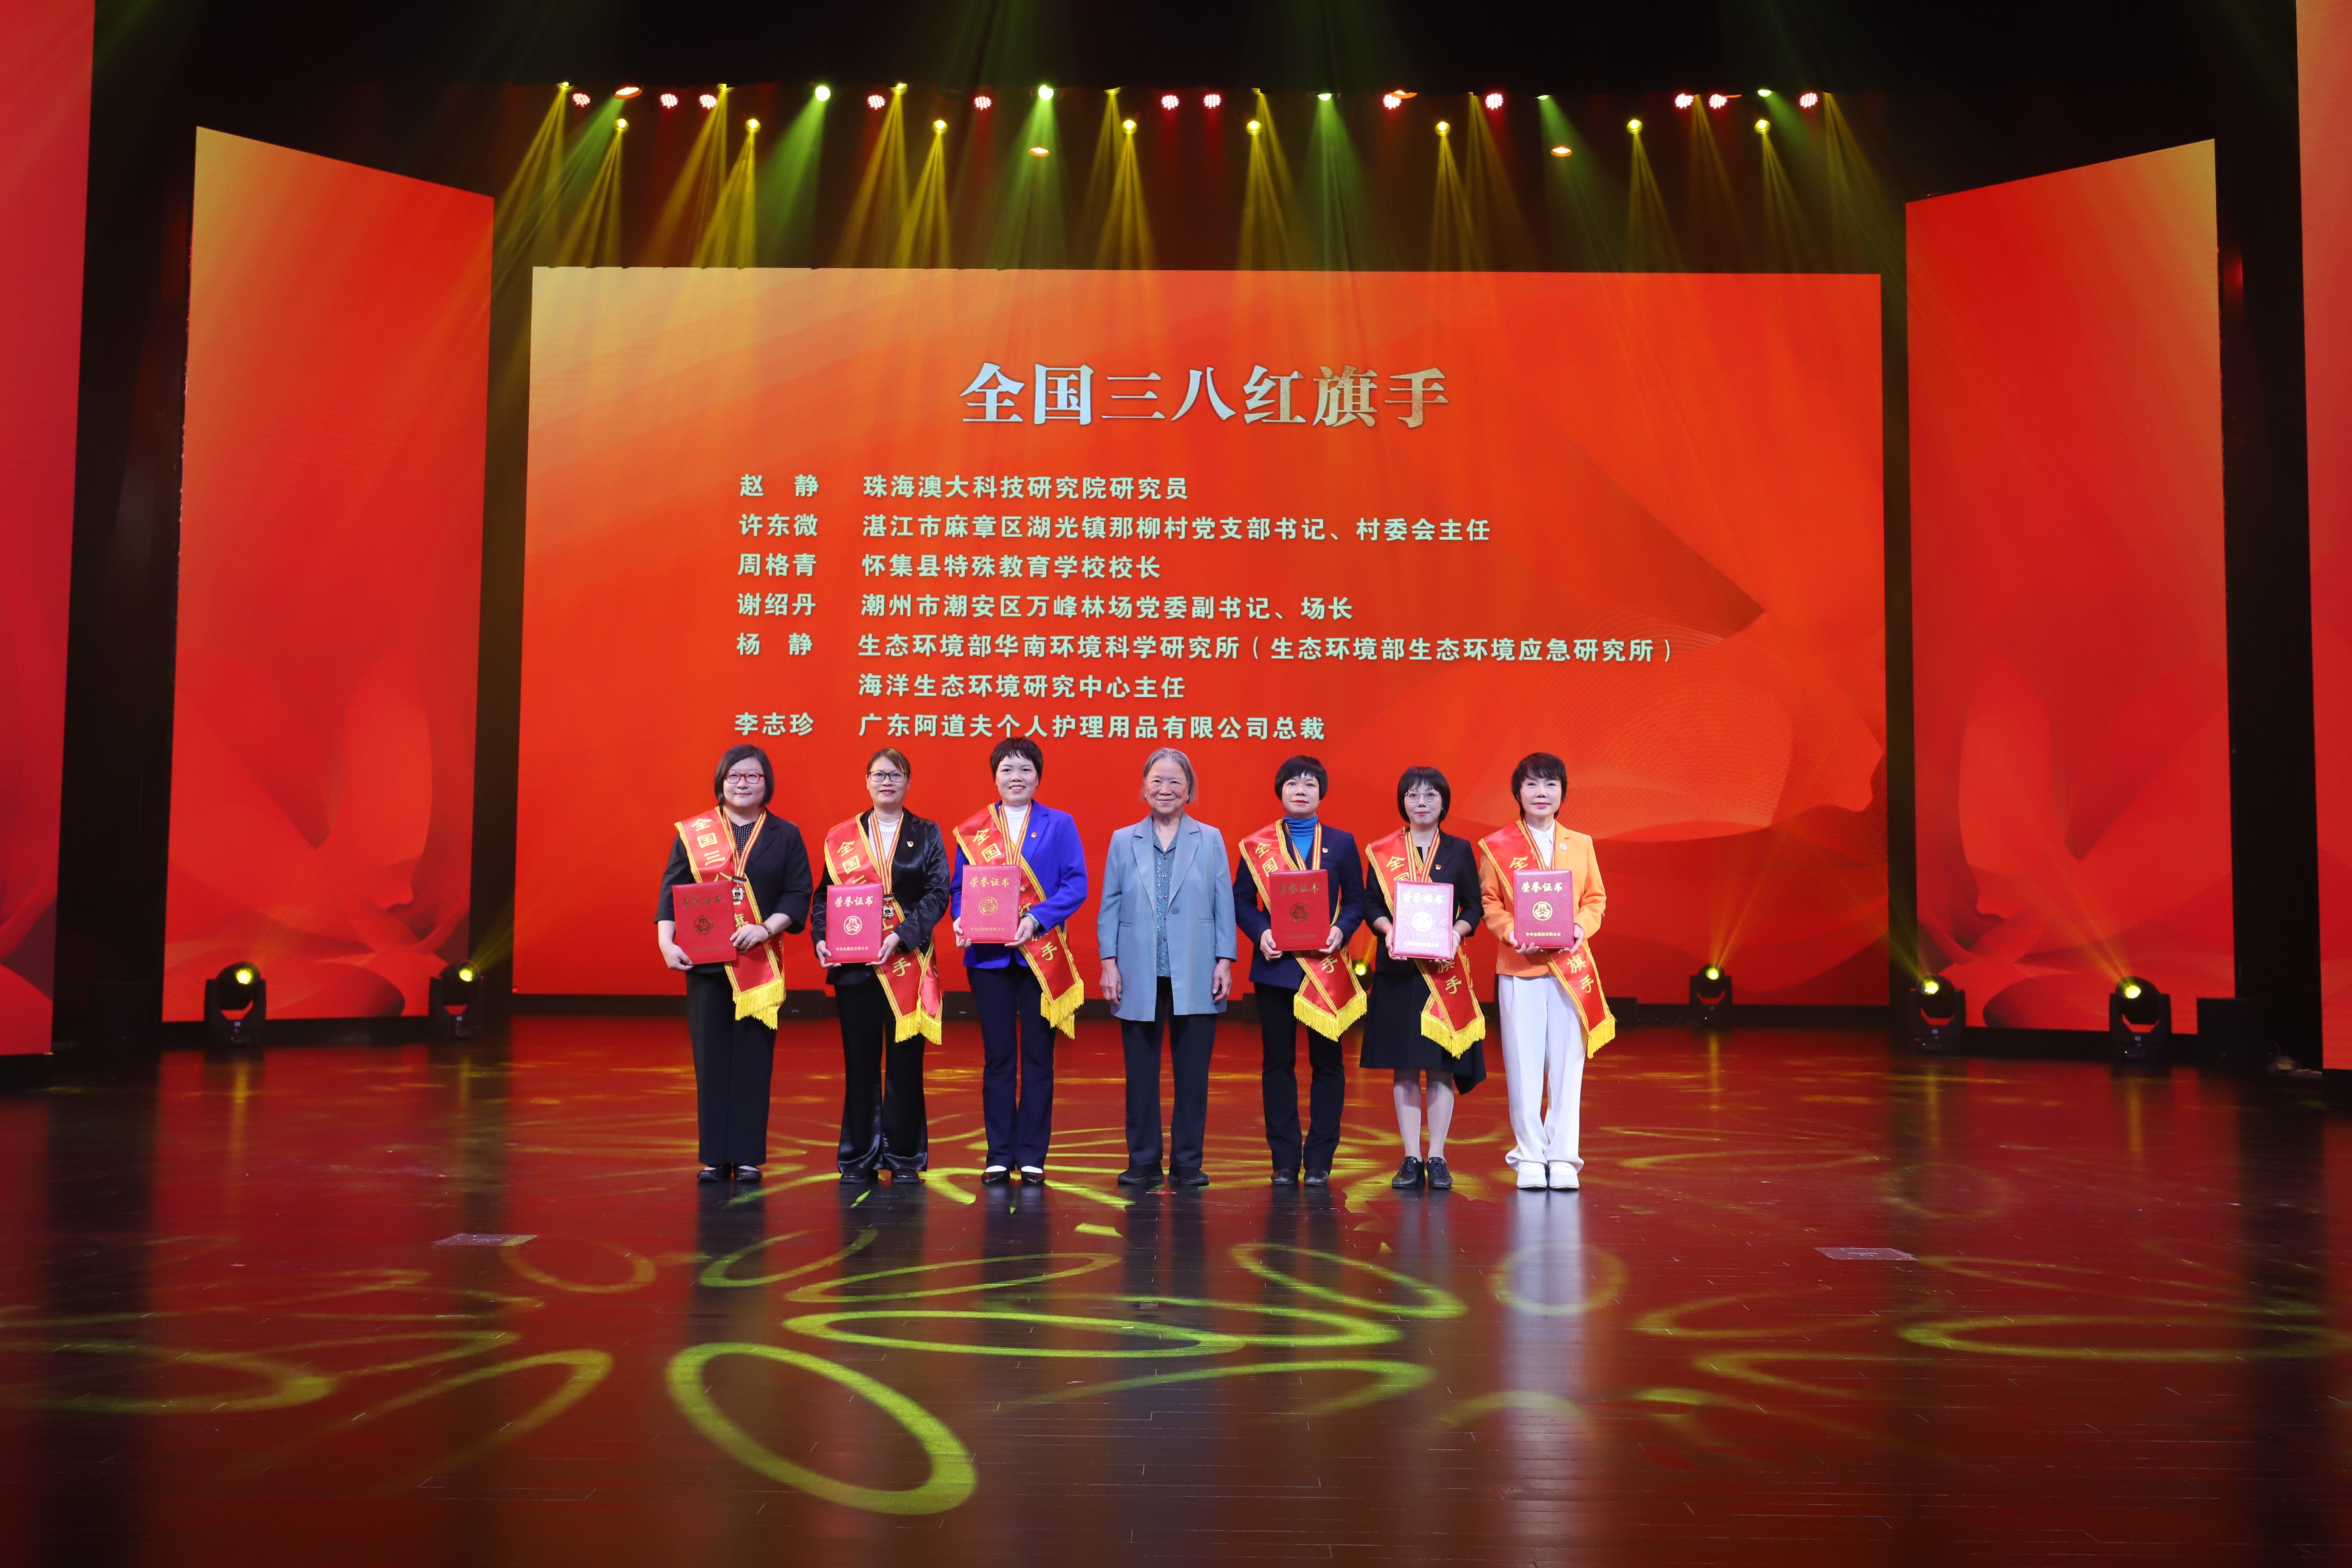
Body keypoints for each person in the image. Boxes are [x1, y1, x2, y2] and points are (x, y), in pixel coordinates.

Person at [655, 744, 813, 1183]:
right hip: (706, 963)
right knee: (710, 1059)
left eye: (753, 776)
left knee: (753, 1059)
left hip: (759, 963)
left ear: (767, 783)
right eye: (734, 776)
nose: (743, 784)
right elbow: (671, 889)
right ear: (721, 781)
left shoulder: (786, 833)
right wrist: (666, 942)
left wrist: (765, 928)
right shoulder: (695, 833)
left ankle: (746, 1156)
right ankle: (713, 1156)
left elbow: (799, 893)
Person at [949, 737, 1088, 1185]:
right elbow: (959, 888)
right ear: (995, 776)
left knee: (1038, 1057)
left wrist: (1036, 918)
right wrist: (960, 918)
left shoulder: (1059, 823)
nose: (1016, 777)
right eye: (1007, 769)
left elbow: (1076, 884)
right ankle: (998, 1153)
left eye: (1026, 769)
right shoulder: (974, 829)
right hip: (988, 958)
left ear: (1038, 776)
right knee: (998, 1057)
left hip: (1040, 955)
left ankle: (1031, 1154)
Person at [1099, 747, 1237, 1189]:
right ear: (1143, 788)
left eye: (1175, 781)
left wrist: (1225, 959)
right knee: (1140, 1074)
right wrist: (1109, 962)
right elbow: (1110, 904)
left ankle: (1187, 1162)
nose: (1166, 789)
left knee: (1193, 1075)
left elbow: (1223, 903)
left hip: (1196, 968)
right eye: (1157, 781)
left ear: (1189, 789)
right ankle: (1142, 1160)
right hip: (1137, 970)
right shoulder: (1123, 839)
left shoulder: (1210, 838)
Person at [812, 747, 950, 1184]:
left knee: (906, 1063)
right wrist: (821, 937)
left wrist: (901, 935)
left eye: (896, 774)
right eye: (879, 774)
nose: (887, 781)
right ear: (867, 781)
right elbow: (824, 895)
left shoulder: (926, 832)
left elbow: (938, 893)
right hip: (855, 966)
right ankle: (859, 1157)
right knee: (860, 1062)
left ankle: (905, 1157)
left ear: (909, 782)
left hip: (906, 960)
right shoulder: (842, 837)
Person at [1477, 751, 1611, 1192]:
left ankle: (1564, 1156)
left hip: (1571, 967)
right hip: (1521, 967)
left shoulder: (1581, 843)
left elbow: (1595, 899)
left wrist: (1579, 926)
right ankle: (1531, 1155)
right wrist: (1512, 931)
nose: (1541, 792)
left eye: (1551, 784)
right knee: (1524, 1066)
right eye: (1532, 784)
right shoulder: (1497, 847)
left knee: (1568, 1065)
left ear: (1562, 793)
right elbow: (1490, 903)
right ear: (1518, 792)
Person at [1233, 755, 1366, 1186]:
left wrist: (1342, 930)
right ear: (1281, 791)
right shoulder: (1257, 845)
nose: (1301, 790)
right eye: (1293, 783)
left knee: (1328, 1064)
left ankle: (1321, 1158)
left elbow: (1357, 899)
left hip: (1326, 968)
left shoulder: (1342, 842)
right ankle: (1285, 1159)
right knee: (1278, 1064)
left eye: (1310, 783)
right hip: (1277, 969)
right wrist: (1261, 933)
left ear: (1321, 792)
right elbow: (1241, 900)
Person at [1360, 765, 1487, 1192]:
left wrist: (1456, 933)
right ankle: (1412, 1156)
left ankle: (1439, 1157)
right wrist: (1387, 929)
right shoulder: (1383, 851)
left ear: (1444, 802)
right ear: (1403, 802)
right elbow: (1371, 904)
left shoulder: (1459, 850)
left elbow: (1474, 906)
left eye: (1431, 795)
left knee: (1441, 1069)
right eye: (1413, 794)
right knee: (1404, 1068)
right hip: (1398, 972)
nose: (1421, 802)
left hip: (1442, 974)